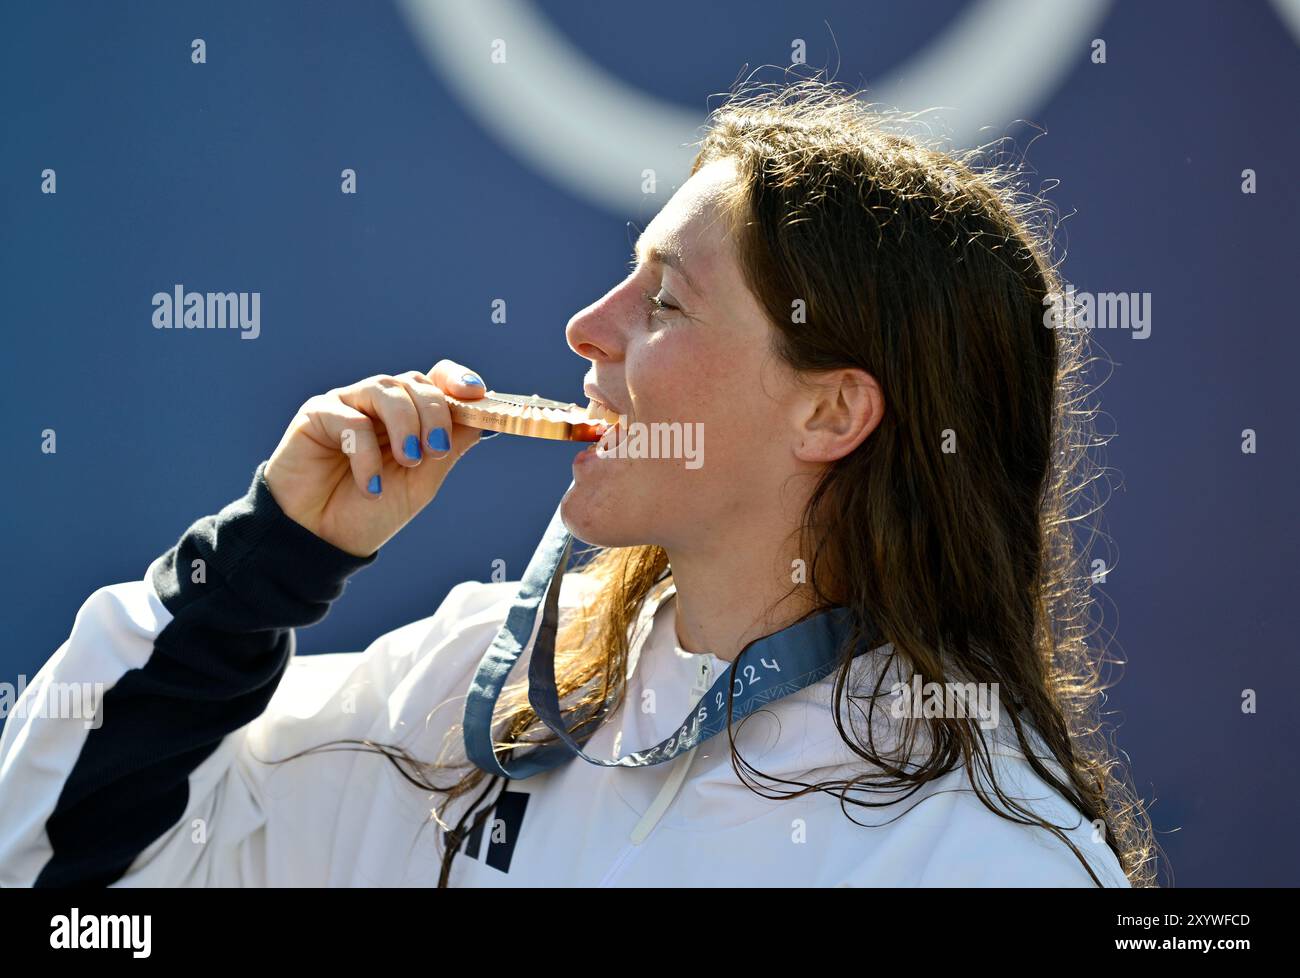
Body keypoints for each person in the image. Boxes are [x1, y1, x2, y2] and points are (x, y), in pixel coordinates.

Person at [0, 78, 1153, 887]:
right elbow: (70, 878)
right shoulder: (465, 700)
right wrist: (258, 573)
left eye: (665, 302)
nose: (585, 328)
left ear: (830, 411)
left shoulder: (982, 860)